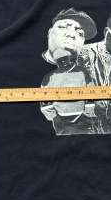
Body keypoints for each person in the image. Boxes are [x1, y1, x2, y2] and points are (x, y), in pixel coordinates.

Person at [39, 7, 100, 135]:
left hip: (83, 122)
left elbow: (91, 91)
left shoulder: (85, 70)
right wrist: (55, 118)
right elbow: (44, 99)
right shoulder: (48, 76)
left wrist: (87, 113)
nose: (72, 35)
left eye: (80, 33)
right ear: (49, 32)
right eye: (63, 27)